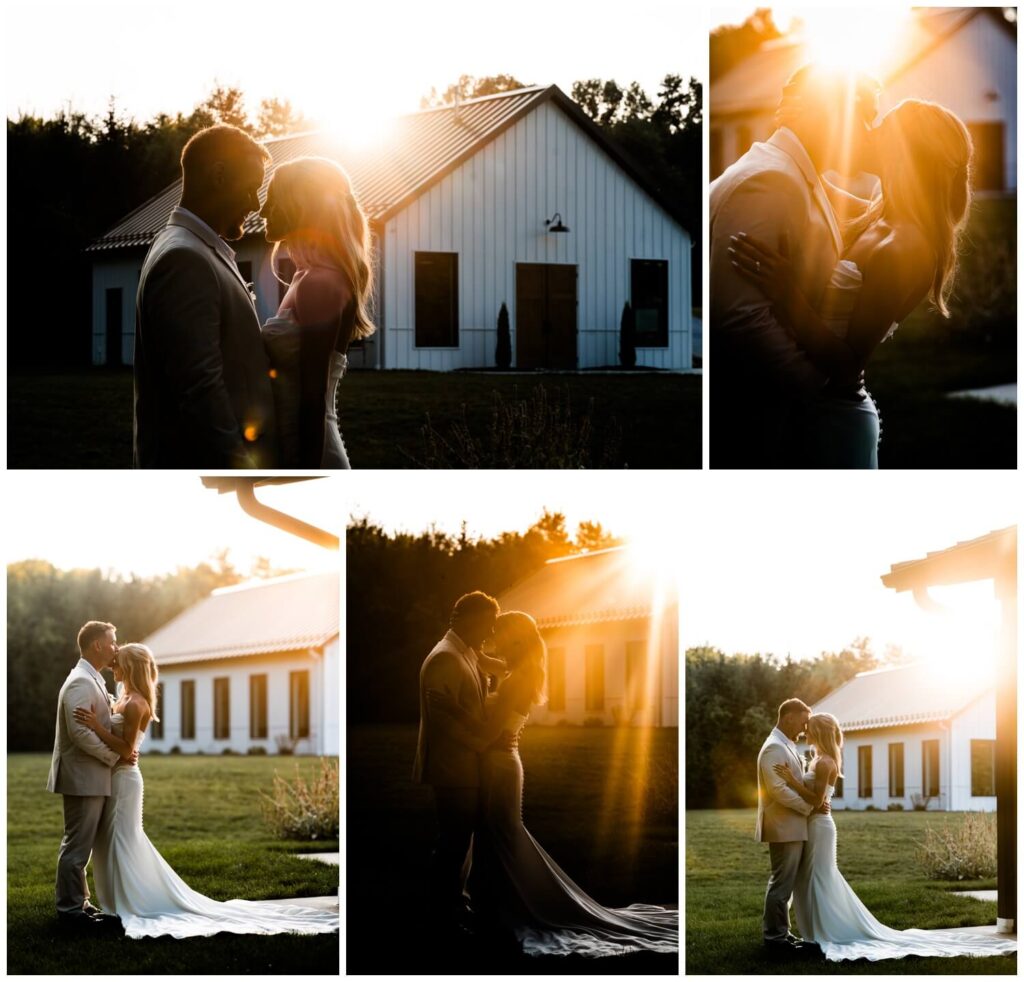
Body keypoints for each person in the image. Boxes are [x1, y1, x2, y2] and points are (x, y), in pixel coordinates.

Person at [730, 99, 974, 468]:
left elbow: (847, 364)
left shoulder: (905, 247)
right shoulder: (877, 214)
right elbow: (811, 179)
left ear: (905, 152)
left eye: (881, 129)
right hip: (807, 406)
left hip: (836, 420)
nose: (868, 133)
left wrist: (786, 294)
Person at [429, 611, 678, 957]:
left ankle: (520, 908)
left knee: (503, 836)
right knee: (498, 837)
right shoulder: (518, 669)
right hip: (500, 763)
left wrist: (453, 711)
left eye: (498, 634)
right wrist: (471, 646)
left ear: (515, 639)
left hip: (499, 765)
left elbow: (486, 737)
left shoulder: (517, 679)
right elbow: (487, 660)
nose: (492, 640)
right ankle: (495, 907)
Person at [71, 643, 338, 938]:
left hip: (125, 781)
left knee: (123, 840)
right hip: (116, 779)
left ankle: (132, 903)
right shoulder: (123, 699)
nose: (113, 667)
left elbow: (125, 750)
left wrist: (95, 725)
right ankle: (115, 902)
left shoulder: (136, 704)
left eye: (117, 663)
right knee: (112, 841)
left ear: (131, 667)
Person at [709, 64, 880, 467]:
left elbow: (880, 216)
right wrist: (820, 389)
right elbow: (742, 318)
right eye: (864, 118)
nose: (869, 133)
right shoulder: (768, 181)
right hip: (764, 418)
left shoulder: (801, 176)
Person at [773, 713, 1016, 961]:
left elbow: (816, 801)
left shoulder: (825, 763)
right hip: (813, 824)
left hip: (820, 827)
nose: (805, 731)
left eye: (809, 728)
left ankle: (828, 932)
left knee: (819, 877)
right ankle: (815, 932)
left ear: (819, 732)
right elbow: (816, 798)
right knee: (811, 878)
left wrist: (792, 780)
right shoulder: (817, 760)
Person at [134, 125, 277, 468]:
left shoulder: (192, 248)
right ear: (219, 175)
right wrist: (239, 470)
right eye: (250, 189)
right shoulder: (185, 259)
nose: (255, 205)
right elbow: (200, 389)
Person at [259, 156, 376, 468]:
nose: (262, 211)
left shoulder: (320, 284)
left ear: (300, 205)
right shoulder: (304, 277)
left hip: (310, 452)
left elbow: (312, 397)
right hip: (287, 444)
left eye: (272, 199)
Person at [413, 591, 501, 935]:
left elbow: (489, 671)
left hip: (467, 766)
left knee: (463, 841)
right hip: (453, 767)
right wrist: (483, 741)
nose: (490, 634)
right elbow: (443, 723)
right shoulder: (444, 659)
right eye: (487, 625)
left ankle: (457, 904)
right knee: (453, 842)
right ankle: (444, 912)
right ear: (468, 620)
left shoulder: (466, 652)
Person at [45, 621, 136, 932]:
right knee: (76, 845)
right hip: (83, 776)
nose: (116, 647)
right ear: (97, 645)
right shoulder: (80, 682)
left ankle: (80, 904)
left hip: (91, 775)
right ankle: (70, 912)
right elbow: (80, 733)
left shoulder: (92, 677)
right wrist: (116, 756)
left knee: (81, 844)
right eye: (113, 641)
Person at [755, 698, 827, 959]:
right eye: (802, 720)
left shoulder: (785, 744)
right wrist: (809, 809)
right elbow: (778, 791)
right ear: (787, 718)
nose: (805, 726)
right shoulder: (774, 747)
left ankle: (781, 935)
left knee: (785, 883)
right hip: (784, 825)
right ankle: (775, 940)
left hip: (792, 825)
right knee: (781, 884)